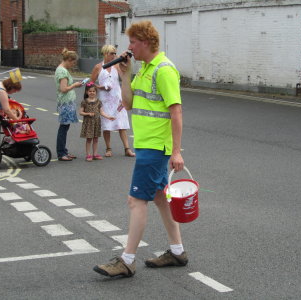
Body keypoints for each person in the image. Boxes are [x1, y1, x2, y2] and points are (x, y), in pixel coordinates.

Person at [93, 20, 186, 278]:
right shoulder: (144, 69)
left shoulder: (164, 70)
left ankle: (127, 259)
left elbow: (176, 111)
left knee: (136, 201)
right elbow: (129, 103)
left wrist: (176, 151)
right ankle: (177, 251)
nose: (129, 47)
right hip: (146, 144)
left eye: (133, 42)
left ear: (145, 42)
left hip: (155, 146)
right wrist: (124, 75)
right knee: (159, 199)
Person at [90, 45, 135, 158]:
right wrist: (100, 87)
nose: (114, 55)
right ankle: (108, 148)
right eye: (112, 53)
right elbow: (90, 83)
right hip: (105, 100)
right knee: (107, 125)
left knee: (122, 124)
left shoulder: (116, 65)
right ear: (105, 53)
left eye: (115, 53)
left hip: (117, 99)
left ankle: (127, 148)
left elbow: (124, 76)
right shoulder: (98, 67)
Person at [55, 48, 83, 161]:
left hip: (67, 102)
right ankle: (61, 153)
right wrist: (75, 85)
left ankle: (63, 151)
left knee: (65, 127)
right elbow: (63, 89)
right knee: (64, 127)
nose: (73, 65)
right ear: (69, 60)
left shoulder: (62, 70)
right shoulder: (62, 71)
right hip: (65, 102)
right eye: (73, 62)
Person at [79, 82, 115, 161]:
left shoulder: (98, 102)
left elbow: (102, 112)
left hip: (96, 123)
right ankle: (88, 155)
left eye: (93, 91)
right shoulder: (84, 102)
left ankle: (95, 154)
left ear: (96, 92)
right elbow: (80, 112)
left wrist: (109, 117)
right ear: (86, 92)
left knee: (96, 139)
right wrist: (88, 113)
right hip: (88, 123)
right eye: (90, 91)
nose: (92, 93)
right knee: (89, 139)